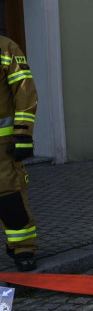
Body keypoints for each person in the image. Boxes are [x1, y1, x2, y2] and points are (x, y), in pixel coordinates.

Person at [0, 36, 37, 272]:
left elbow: (24, 91)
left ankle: (23, 247)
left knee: (9, 198)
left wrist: (22, 134)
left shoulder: (5, 47)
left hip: (1, 146)